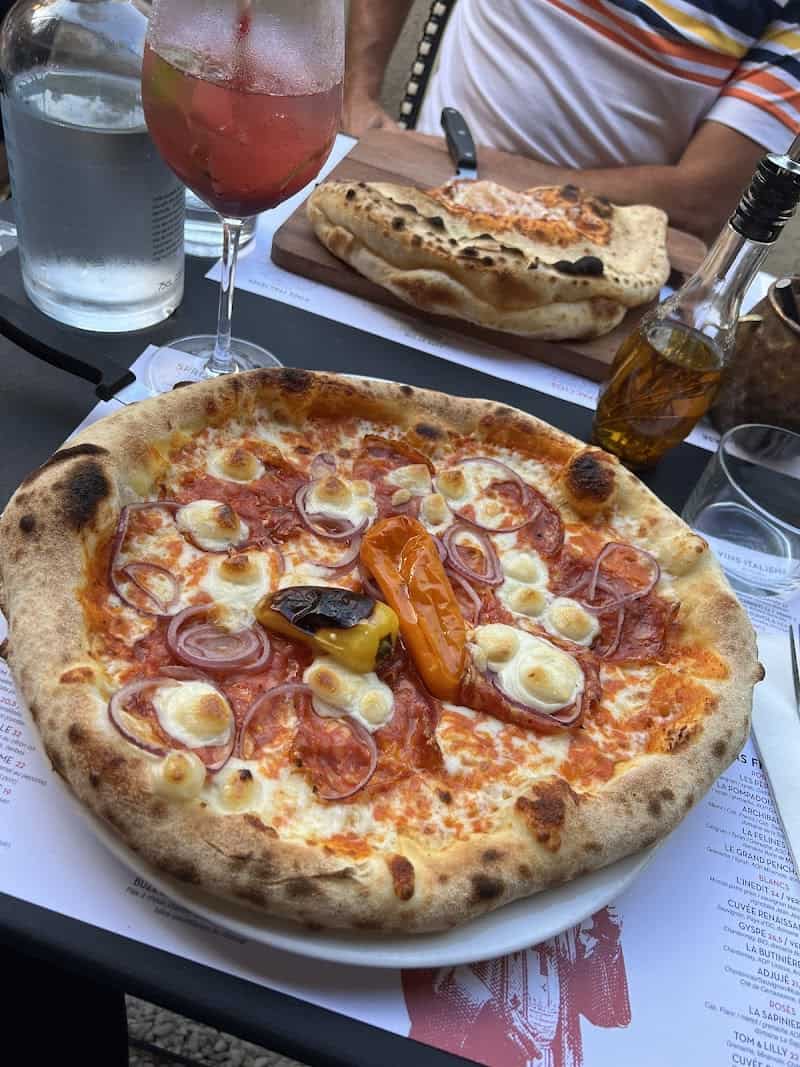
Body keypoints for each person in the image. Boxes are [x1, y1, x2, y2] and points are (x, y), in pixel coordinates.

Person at [343, 0, 800, 242]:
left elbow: (704, 200)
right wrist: (355, 97)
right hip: (409, 198)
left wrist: (488, 181)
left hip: (593, 257)